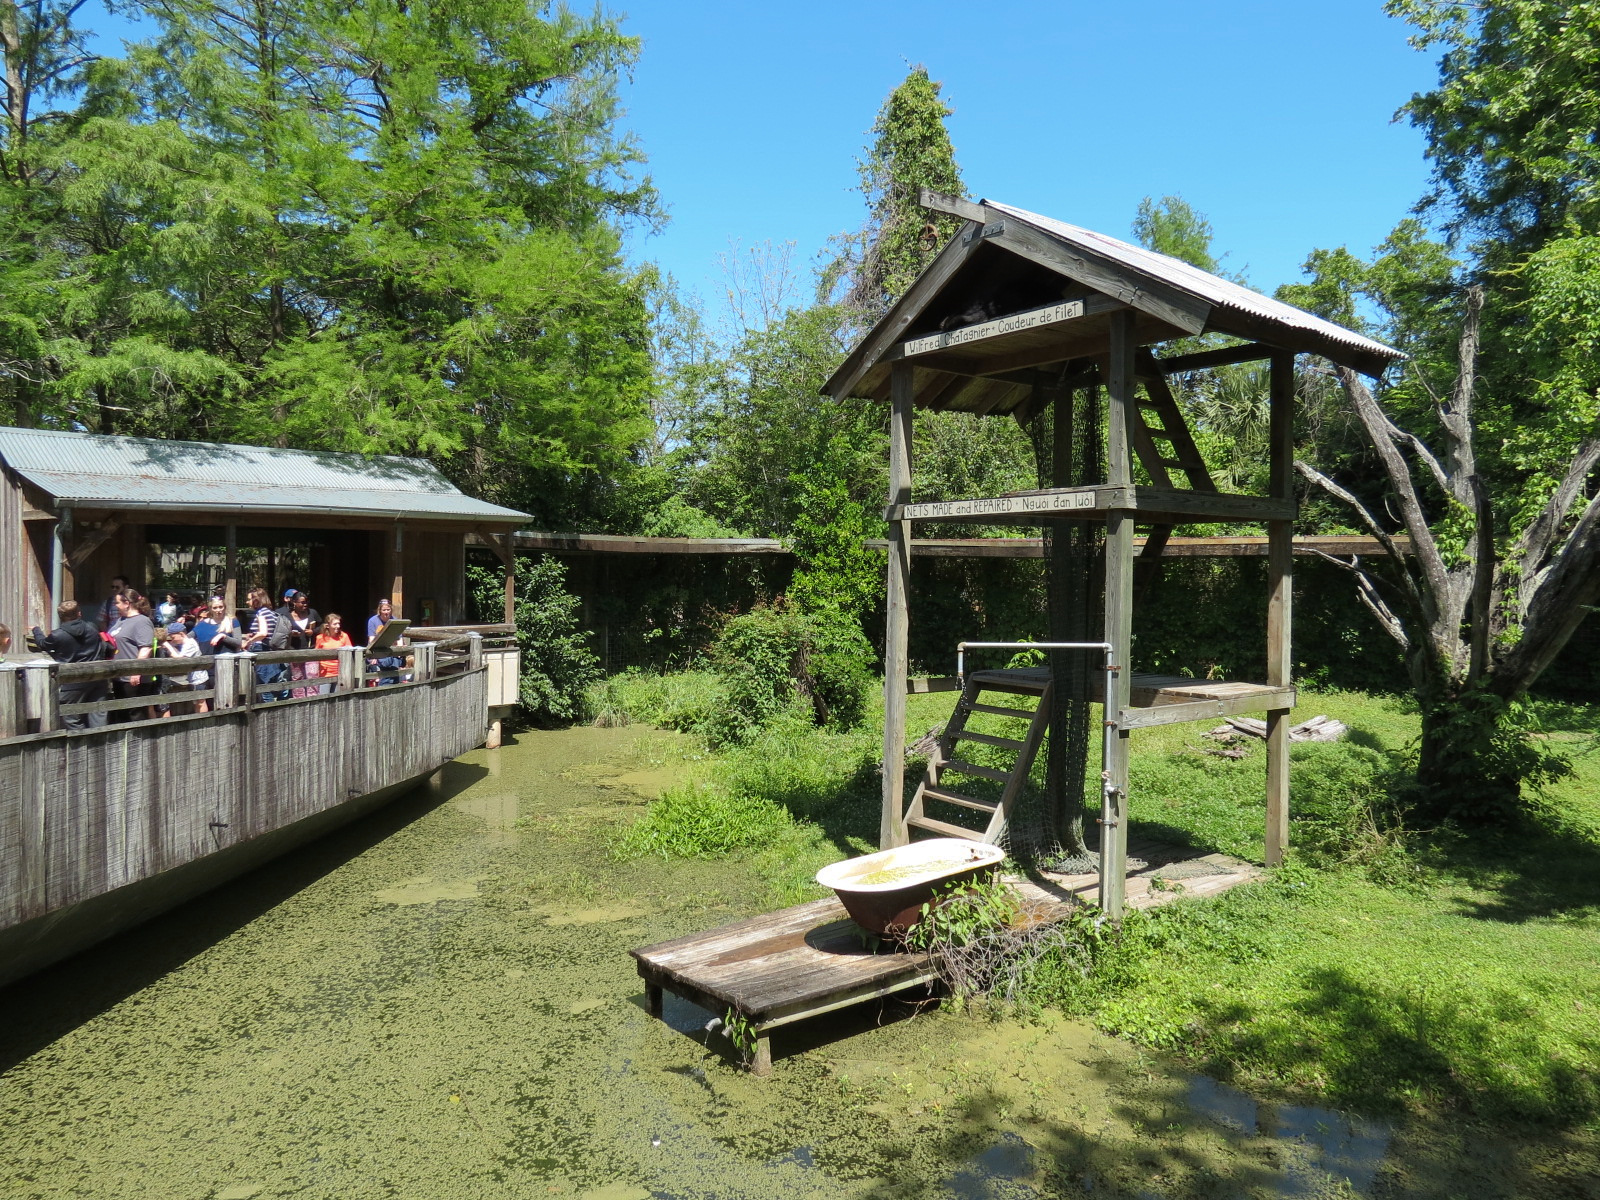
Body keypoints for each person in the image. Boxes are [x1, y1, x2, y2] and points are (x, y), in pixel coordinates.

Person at [31, 600, 109, 729]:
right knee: (98, 714)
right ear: (79, 613)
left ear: (60, 616)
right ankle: (99, 746)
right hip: (97, 677)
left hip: (73, 680)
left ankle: (80, 745)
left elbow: (43, 644)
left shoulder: (58, 635)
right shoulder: (92, 628)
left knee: (69, 715)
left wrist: (36, 630)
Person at [108, 588, 156, 722]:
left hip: (134, 678)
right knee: (122, 715)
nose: (116, 606)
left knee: (135, 714)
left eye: (117, 603)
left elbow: (145, 648)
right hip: (119, 675)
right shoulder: (121, 620)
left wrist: (136, 671)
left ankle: (139, 742)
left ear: (127, 603)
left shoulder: (142, 621)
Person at [243, 586, 287, 701]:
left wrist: (248, 642)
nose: (247, 602)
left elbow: (263, 633)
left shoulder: (261, 613)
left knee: (264, 686)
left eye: (249, 599)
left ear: (256, 599)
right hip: (271, 649)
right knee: (274, 682)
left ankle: (269, 713)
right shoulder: (271, 613)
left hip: (261, 649)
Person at [279, 588, 322, 698]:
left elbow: (322, 626)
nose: (305, 605)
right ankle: (299, 702)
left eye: (307, 602)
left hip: (311, 650)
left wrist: (313, 631)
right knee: (297, 678)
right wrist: (291, 634)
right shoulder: (287, 615)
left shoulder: (312, 613)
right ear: (294, 602)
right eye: (302, 602)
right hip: (295, 651)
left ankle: (314, 701)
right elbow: (281, 632)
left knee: (312, 677)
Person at [155, 624, 205, 716]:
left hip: (198, 678)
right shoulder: (187, 643)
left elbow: (179, 659)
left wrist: (168, 646)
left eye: (173, 637)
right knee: (196, 702)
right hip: (194, 677)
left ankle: (204, 721)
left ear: (181, 634)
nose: (173, 639)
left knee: (200, 701)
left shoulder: (190, 644)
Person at [366, 598, 402, 686]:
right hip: (379, 651)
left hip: (392, 652)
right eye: (384, 610)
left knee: (394, 677)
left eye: (388, 609)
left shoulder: (395, 620)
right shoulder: (373, 621)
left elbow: (399, 638)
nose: (386, 612)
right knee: (384, 678)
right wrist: (373, 655)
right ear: (380, 610)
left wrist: (400, 652)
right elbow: (371, 639)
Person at [314, 612, 351, 695]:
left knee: (337, 698)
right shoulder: (320, 637)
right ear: (328, 625)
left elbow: (350, 652)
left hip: (340, 673)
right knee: (324, 697)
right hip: (325, 674)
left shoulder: (344, 636)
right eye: (335, 624)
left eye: (339, 623)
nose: (338, 626)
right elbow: (315, 655)